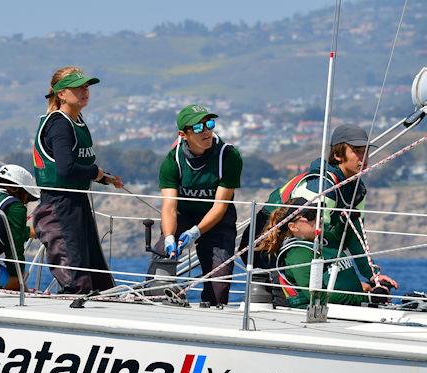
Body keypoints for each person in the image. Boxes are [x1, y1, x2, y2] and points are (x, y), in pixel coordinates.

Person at [240, 124, 383, 287]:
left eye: (366, 151)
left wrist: (373, 276)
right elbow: (311, 235)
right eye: (357, 151)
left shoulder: (357, 189)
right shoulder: (321, 186)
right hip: (264, 246)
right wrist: (353, 285)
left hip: (301, 246)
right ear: (337, 154)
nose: (363, 157)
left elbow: (355, 236)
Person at [32, 66, 122, 294]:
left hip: (77, 202)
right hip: (59, 204)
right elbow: (65, 168)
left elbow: (79, 164)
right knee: (76, 277)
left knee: (95, 272)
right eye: (78, 87)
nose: (85, 91)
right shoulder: (60, 124)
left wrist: (106, 178)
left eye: (86, 86)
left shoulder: (76, 120)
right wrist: (96, 173)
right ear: (61, 93)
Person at [158, 104, 242, 306]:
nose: (206, 131)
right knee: (160, 260)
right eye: (197, 127)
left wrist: (195, 232)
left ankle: (211, 310)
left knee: (218, 285)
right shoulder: (172, 161)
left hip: (218, 220)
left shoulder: (229, 157)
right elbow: (169, 206)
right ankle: (158, 301)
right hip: (183, 214)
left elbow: (220, 207)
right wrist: (170, 236)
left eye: (209, 124)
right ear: (183, 134)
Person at [257, 197, 399, 307]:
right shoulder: (298, 253)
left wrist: (344, 220)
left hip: (348, 308)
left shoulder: (319, 240)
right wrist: (368, 297)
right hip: (323, 316)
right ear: (293, 226)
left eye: (318, 212)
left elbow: (340, 237)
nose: (318, 218)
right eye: (311, 215)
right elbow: (318, 296)